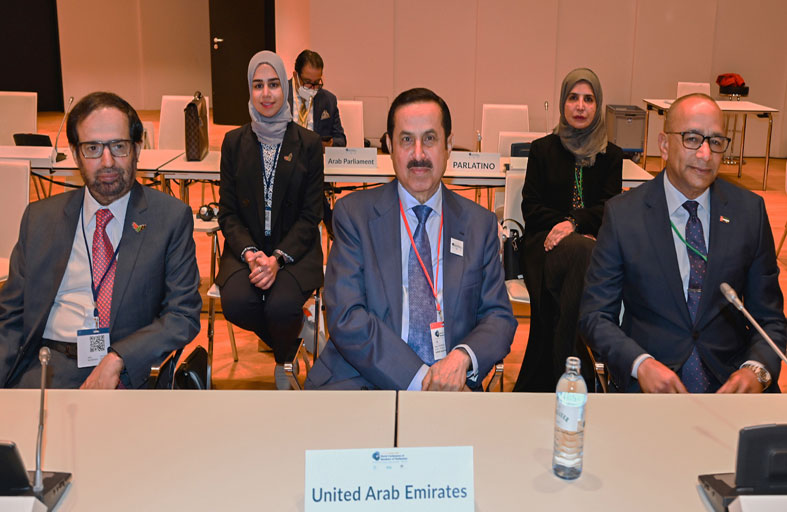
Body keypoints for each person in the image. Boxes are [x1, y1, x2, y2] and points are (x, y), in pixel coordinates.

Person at [305, 87, 516, 391]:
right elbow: (347, 317)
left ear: (448, 145)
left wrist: (462, 358)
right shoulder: (355, 215)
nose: (418, 154)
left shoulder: (478, 225)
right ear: (390, 145)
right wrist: (421, 380)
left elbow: (498, 317)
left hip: (453, 386)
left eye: (429, 139)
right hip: (362, 380)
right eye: (406, 140)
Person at [579, 93, 786, 393]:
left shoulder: (749, 212)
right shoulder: (623, 215)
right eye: (692, 139)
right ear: (664, 145)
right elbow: (595, 316)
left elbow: (770, 320)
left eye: (716, 141)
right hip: (650, 383)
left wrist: (756, 371)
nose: (705, 154)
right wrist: (640, 364)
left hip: (731, 382)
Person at [0, 92, 201, 389]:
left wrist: (120, 357)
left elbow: (182, 315)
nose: (107, 161)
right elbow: (10, 317)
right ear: (75, 153)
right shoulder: (40, 218)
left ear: (137, 148)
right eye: (92, 148)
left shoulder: (170, 218)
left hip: (126, 369)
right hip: (46, 366)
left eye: (118, 146)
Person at [217, 50, 324, 389]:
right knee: (236, 303)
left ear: (285, 88)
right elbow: (227, 212)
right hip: (247, 248)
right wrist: (250, 254)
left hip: (294, 250)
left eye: (274, 84)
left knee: (280, 307)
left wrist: (277, 259)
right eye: (258, 85)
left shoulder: (308, 144)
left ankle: (284, 354)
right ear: (249, 90)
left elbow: (311, 215)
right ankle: (288, 350)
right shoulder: (233, 143)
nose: (266, 93)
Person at [513, 68, 622, 392]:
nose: (580, 106)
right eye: (573, 98)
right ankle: (576, 371)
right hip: (544, 246)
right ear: (563, 102)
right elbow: (532, 208)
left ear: (598, 105)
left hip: (590, 246)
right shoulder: (542, 150)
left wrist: (574, 224)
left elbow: (610, 209)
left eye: (588, 99)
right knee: (582, 252)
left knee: (582, 253)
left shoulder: (611, 155)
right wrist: (566, 228)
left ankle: (561, 371)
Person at [287, 49, 346, 147]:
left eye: (316, 82)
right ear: (295, 76)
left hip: (316, 155)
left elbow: (341, 140)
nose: (313, 88)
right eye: (307, 82)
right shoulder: (279, 95)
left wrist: (328, 144)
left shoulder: (328, 100)